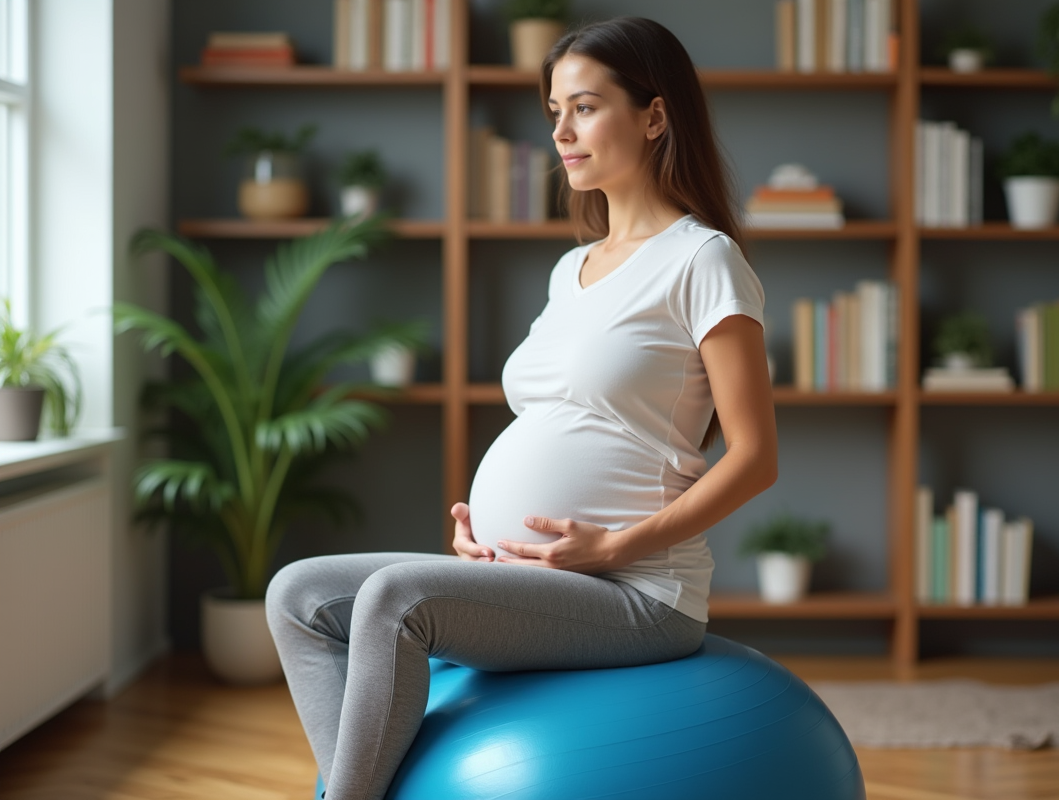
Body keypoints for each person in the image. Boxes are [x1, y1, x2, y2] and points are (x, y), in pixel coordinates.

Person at [266, 16, 777, 800]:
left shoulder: (703, 259)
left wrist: (615, 547)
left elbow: (754, 457)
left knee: (398, 600)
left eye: (585, 107)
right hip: (543, 578)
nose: (562, 133)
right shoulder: (572, 267)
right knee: (298, 593)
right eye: (554, 112)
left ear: (654, 114)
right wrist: (489, 540)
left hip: (638, 592)